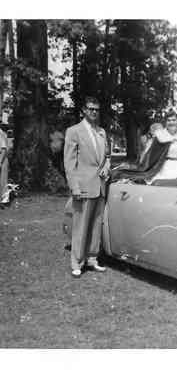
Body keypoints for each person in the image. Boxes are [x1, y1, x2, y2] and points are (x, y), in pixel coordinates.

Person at [63, 96, 110, 278]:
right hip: (82, 186)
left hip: (99, 186)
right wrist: (74, 186)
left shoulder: (102, 132)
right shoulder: (74, 131)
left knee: (96, 225)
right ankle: (77, 261)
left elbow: (107, 156)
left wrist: (106, 168)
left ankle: (92, 258)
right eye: (90, 109)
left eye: (96, 110)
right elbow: (69, 162)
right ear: (83, 110)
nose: (94, 112)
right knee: (80, 226)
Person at [0, 125, 9, 205]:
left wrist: (0, 162)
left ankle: (3, 202)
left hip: (2, 159)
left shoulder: (0, 134)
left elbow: (3, 149)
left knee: (2, 181)